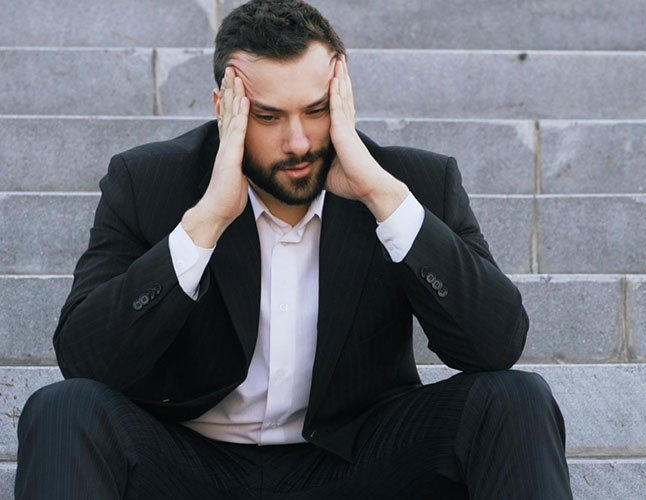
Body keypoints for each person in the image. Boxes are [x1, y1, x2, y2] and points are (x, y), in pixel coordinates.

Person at [15, 0, 573, 498]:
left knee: (514, 399)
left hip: (357, 461)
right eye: (268, 117)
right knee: (64, 410)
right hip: (190, 459)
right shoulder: (149, 182)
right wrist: (205, 223)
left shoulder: (411, 185)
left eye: (315, 110)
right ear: (225, 106)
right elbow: (85, 359)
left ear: (342, 96)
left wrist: (384, 199)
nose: (299, 142)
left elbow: (495, 346)